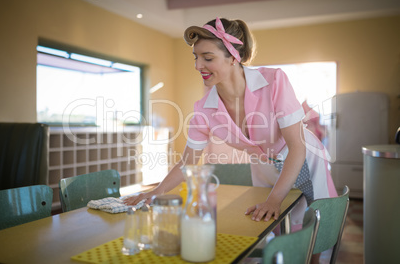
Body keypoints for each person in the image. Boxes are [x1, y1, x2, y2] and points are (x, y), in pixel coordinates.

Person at [124, 17, 337, 231]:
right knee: (278, 227)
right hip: (264, 167)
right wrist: (155, 192)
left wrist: (274, 199)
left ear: (234, 57)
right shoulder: (204, 109)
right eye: (196, 57)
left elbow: (297, 147)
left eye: (207, 58)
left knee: (314, 226)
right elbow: (187, 163)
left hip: (303, 157)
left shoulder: (273, 81)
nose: (198, 66)